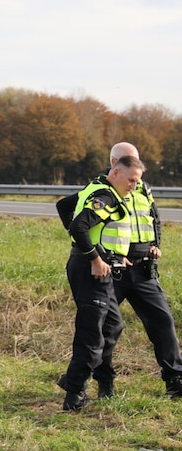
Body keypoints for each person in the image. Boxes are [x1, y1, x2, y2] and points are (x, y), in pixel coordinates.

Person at [57, 154, 143, 411]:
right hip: (90, 270)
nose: (134, 186)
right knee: (91, 335)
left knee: (113, 327)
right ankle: (74, 394)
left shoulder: (101, 190)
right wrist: (94, 257)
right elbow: (79, 227)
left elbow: (64, 206)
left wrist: (113, 258)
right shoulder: (105, 197)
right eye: (131, 180)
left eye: (138, 182)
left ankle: (73, 379)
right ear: (115, 172)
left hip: (101, 267)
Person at [98, 142, 182, 399]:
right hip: (114, 269)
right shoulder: (101, 188)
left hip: (144, 268)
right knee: (108, 329)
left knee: (163, 322)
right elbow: (83, 224)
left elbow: (153, 219)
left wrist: (155, 244)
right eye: (126, 160)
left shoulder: (144, 187)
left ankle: (175, 380)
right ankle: (105, 384)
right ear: (114, 163)